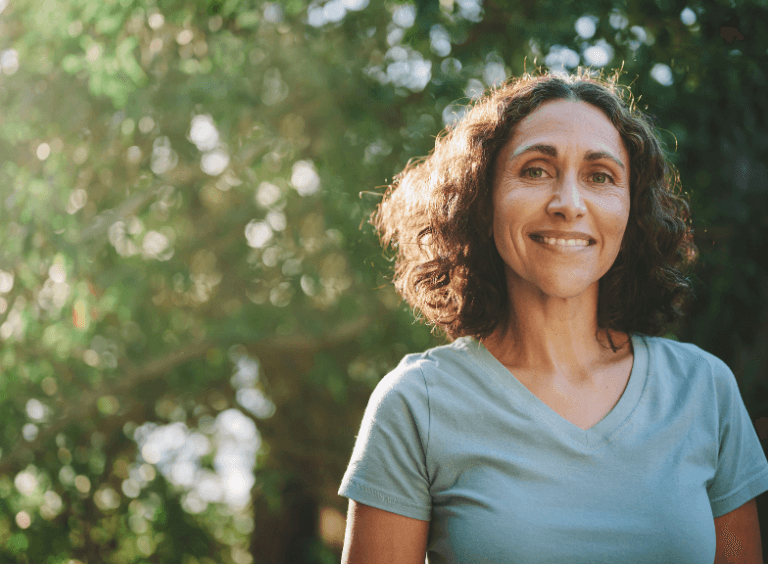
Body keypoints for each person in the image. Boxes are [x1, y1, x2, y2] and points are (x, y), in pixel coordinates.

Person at [337, 72, 768, 563]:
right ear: (483, 198)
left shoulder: (704, 390)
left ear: (631, 210)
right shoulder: (418, 404)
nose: (568, 203)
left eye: (600, 176)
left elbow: (737, 552)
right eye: (536, 170)